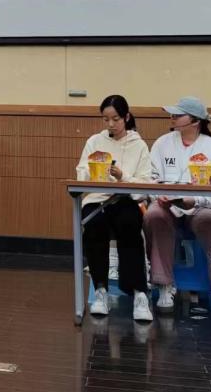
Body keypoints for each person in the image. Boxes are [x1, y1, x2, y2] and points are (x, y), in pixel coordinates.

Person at [144, 96, 211, 312]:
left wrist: (196, 199)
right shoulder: (162, 143)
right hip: (167, 206)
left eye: (178, 115)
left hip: (200, 206)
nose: (172, 117)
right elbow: (150, 178)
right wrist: (159, 195)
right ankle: (164, 283)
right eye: (172, 114)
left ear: (195, 121)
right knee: (153, 215)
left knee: (210, 221)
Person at [75, 94, 153, 321]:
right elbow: (80, 174)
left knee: (129, 224)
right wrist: (92, 170)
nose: (110, 124)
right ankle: (100, 289)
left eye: (116, 119)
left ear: (126, 117)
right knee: (94, 224)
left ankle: (138, 292)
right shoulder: (94, 141)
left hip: (126, 199)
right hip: (97, 199)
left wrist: (122, 176)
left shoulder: (139, 145)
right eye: (106, 119)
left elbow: (144, 185)